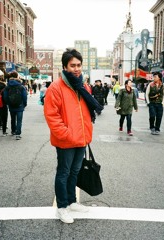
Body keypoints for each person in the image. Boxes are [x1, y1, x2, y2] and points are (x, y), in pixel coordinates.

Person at [44, 48, 103, 224]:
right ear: (65, 66)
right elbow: (51, 116)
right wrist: (66, 134)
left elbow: (86, 112)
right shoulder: (56, 87)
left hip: (81, 138)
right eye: (72, 65)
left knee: (75, 171)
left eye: (78, 65)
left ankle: (71, 201)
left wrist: (85, 133)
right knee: (64, 172)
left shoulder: (83, 86)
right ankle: (62, 207)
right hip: (66, 140)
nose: (76, 68)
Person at [4, 71, 27, 140]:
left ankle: (13, 131)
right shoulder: (21, 86)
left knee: (13, 119)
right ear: (17, 77)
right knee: (19, 120)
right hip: (20, 106)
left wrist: (8, 103)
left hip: (11, 105)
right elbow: (24, 96)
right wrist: (24, 104)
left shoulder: (7, 86)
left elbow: (5, 96)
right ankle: (18, 134)